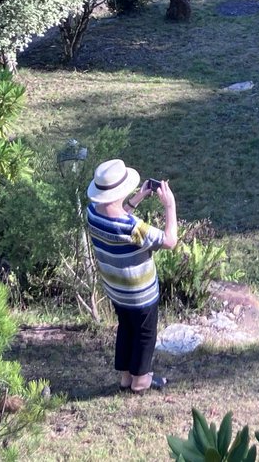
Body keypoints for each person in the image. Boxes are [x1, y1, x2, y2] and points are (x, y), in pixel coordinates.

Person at [85, 158, 178, 393]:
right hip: (140, 293)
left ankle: (126, 377)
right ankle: (141, 381)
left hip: (116, 290)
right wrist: (170, 206)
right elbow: (169, 241)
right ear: (122, 190)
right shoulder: (133, 227)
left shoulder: (92, 214)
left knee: (126, 329)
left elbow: (115, 217)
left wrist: (136, 200)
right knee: (145, 335)